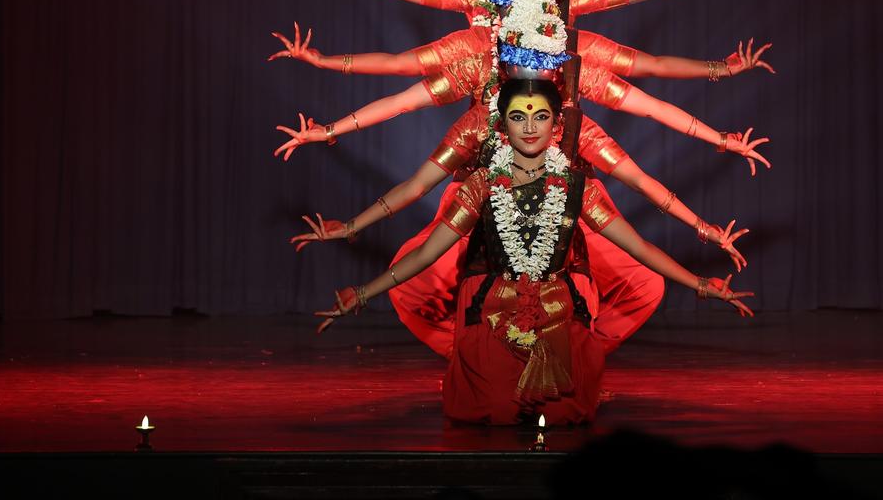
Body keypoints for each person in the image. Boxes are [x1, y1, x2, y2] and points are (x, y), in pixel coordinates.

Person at [315, 79, 755, 425]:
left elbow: (638, 247)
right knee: (492, 412)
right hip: (492, 314)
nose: (529, 127)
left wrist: (700, 285)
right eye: (518, 117)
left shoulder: (578, 189)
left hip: (556, 315)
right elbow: (426, 255)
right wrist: (362, 292)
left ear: (556, 126)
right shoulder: (482, 185)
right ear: (501, 124)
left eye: (540, 116)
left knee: (565, 415)